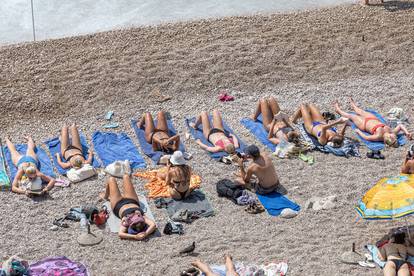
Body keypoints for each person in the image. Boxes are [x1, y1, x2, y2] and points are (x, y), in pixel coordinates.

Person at [335, 98, 412, 147]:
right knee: (360, 111)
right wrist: (407, 132)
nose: (394, 136)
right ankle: (353, 105)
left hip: (364, 124)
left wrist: (358, 131)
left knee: (351, 116)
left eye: (394, 138)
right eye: (395, 137)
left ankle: (338, 110)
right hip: (373, 119)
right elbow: (400, 126)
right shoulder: (392, 132)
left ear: (389, 138)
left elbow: (366, 137)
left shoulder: (378, 137)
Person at [100, 174, 156, 240]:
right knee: (126, 176)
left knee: (111, 179)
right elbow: (153, 225)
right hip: (133, 201)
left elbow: (120, 234)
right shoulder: (143, 218)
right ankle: (107, 195)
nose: (137, 221)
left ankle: (106, 196)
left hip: (118, 205)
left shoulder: (126, 222)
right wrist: (146, 233)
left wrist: (134, 237)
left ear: (131, 225)